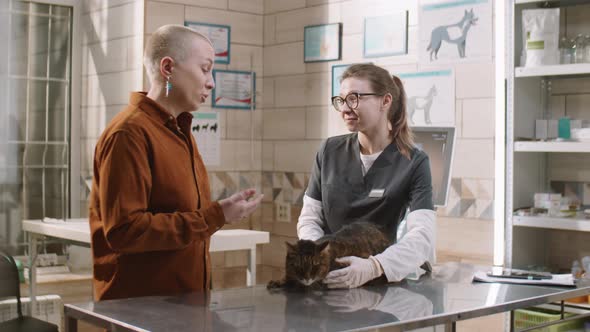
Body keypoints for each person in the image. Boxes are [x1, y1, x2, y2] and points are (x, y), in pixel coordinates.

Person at [88, 25, 263, 301]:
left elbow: (185, 219)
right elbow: (125, 231)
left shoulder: (180, 130)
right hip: (142, 310)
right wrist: (215, 216)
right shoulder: (129, 134)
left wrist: (220, 212)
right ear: (168, 68)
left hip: (185, 305)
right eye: (205, 69)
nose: (212, 82)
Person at [297, 63, 436, 289]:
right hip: (329, 278)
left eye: (355, 98)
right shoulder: (329, 151)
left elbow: (422, 236)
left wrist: (374, 267)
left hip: (380, 282)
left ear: (385, 101)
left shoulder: (414, 162)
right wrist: (319, 256)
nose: (345, 108)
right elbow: (310, 218)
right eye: (341, 100)